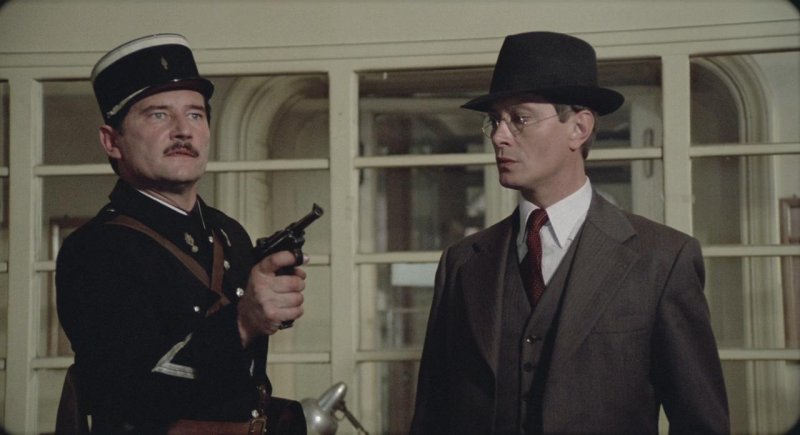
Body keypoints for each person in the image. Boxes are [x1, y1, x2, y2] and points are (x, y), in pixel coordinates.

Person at [410, 31, 730, 435]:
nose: (498, 136)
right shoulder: (461, 262)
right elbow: (432, 417)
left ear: (579, 128)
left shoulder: (663, 259)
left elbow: (701, 423)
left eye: (519, 119)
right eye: (495, 120)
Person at [56, 34, 306, 434]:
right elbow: (129, 393)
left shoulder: (229, 233)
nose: (183, 131)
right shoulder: (94, 250)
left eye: (195, 115)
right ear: (111, 141)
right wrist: (243, 323)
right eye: (158, 115)